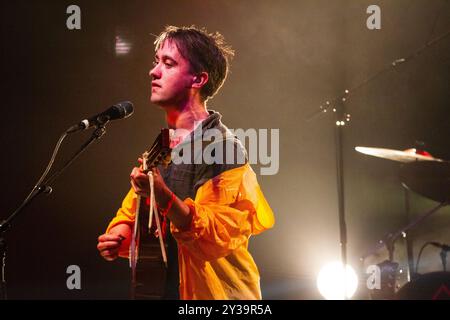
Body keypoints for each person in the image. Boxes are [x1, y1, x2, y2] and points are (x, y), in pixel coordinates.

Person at [96, 25, 275, 300]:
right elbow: (133, 215)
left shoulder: (222, 147)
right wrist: (121, 234)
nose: (153, 72)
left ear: (198, 79)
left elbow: (215, 234)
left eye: (168, 63)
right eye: (157, 62)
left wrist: (163, 196)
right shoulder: (162, 147)